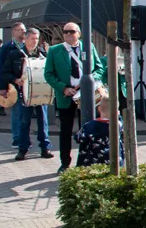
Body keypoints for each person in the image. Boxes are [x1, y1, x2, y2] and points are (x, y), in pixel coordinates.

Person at [44, 22, 104, 174]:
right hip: (66, 95)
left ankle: (87, 161)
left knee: (88, 128)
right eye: (65, 32)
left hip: (86, 95)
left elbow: (99, 68)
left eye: (71, 31)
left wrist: (89, 80)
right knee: (65, 130)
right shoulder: (55, 50)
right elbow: (48, 74)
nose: (68, 34)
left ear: (78, 33)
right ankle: (65, 163)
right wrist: (63, 88)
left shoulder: (88, 46)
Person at [0, 28, 54, 161]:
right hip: (24, 94)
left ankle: (45, 148)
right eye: (32, 39)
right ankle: (22, 149)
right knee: (24, 122)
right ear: (26, 39)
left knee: (43, 122)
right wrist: (15, 80)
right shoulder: (15, 54)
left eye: (37, 39)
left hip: (41, 93)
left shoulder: (43, 53)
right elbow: (5, 73)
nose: (35, 41)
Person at [0, 24, 27, 142]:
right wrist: (2, 87)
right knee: (17, 112)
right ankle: (16, 138)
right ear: (13, 32)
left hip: (28, 85)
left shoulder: (28, 45)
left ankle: (25, 138)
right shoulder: (7, 47)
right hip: (13, 85)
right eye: (20, 30)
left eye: (24, 30)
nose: (22, 32)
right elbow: (1, 68)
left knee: (26, 114)